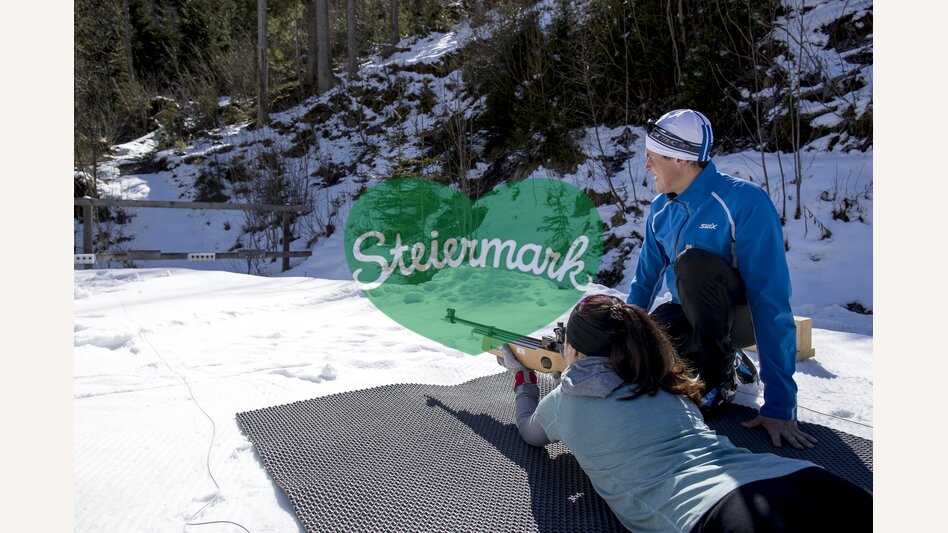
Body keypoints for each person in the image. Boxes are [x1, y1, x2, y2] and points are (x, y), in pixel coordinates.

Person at [503, 294, 871, 533]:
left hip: (711, 513)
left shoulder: (565, 402)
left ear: (577, 352)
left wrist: (523, 379)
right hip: (797, 477)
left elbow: (530, 432)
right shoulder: (665, 381)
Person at [627, 109, 812, 449]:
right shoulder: (660, 209)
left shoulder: (744, 201)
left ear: (680, 160)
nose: (647, 167)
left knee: (692, 264)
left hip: (741, 318)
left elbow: (770, 301)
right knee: (642, 361)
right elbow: (645, 282)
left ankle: (720, 372)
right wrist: (622, 338)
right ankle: (722, 360)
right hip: (690, 313)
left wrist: (781, 405)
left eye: (652, 158)